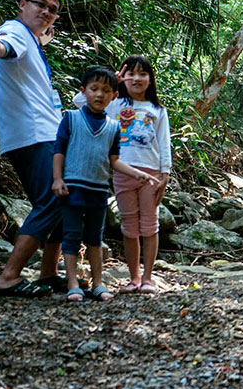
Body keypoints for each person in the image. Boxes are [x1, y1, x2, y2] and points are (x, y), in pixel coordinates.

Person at [0, 0, 68, 297]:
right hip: (34, 133)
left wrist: (43, 37)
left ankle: (49, 273)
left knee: (60, 201)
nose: (46, 12)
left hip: (40, 132)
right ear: (22, 4)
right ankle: (9, 277)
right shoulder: (14, 30)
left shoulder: (32, 39)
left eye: (53, 10)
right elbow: (4, 47)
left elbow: (26, 47)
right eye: (40, 4)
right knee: (54, 199)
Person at [52, 67, 159, 302]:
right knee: (70, 236)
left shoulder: (113, 126)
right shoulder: (71, 118)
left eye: (106, 91)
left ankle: (97, 283)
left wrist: (138, 173)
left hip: (98, 190)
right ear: (84, 91)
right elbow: (58, 150)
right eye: (94, 89)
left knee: (94, 238)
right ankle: (73, 284)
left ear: (114, 96)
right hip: (72, 189)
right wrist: (57, 179)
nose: (99, 95)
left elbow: (114, 161)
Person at [73, 56, 172, 294]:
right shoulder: (115, 104)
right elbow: (80, 102)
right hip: (122, 171)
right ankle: (134, 277)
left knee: (150, 225)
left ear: (150, 79)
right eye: (131, 74)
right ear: (123, 78)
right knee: (129, 227)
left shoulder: (157, 110)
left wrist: (165, 174)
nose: (136, 79)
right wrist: (114, 81)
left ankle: (148, 278)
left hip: (151, 173)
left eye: (142, 74)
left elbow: (164, 142)